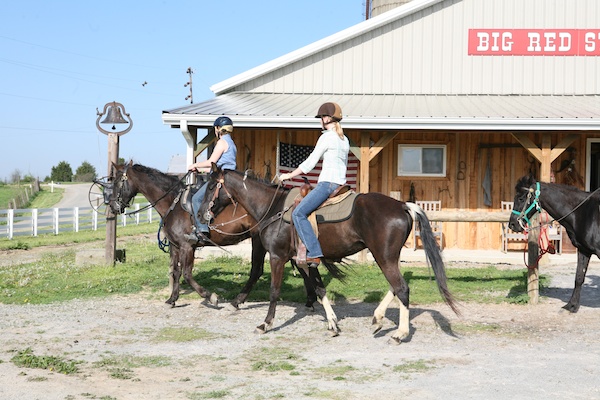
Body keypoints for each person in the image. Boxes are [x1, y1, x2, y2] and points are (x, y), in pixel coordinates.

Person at [279, 102, 349, 268]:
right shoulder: (344, 139)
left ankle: (314, 252)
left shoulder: (326, 137)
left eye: (321, 118)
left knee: (298, 214)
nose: (320, 121)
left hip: (327, 184)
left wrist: (289, 175)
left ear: (326, 119)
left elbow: (309, 163)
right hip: (341, 184)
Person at [184, 116, 237, 244]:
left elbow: (211, 162)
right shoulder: (232, 143)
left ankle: (202, 231)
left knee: (196, 199)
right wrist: (201, 171)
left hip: (220, 180)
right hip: (228, 176)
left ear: (218, 129)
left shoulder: (222, 142)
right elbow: (217, 166)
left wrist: (195, 165)